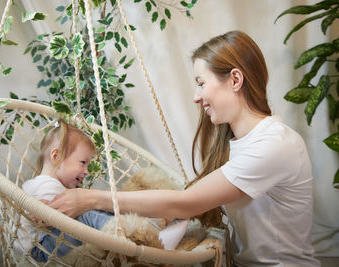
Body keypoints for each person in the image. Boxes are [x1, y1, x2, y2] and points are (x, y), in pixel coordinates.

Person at [49, 31, 320, 266]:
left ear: (235, 80)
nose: (196, 96)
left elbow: (186, 203)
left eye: (201, 83)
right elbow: (185, 204)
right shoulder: (243, 143)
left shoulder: (273, 144)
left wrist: (91, 199)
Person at [17, 120, 113, 262]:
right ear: (56, 156)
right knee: (86, 215)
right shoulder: (48, 186)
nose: (86, 172)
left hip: (43, 245)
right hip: (41, 249)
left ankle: (115, 224)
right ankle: (119, 232)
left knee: (89, 206)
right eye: (83, 163)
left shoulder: (40, 183)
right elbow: (40, 219)